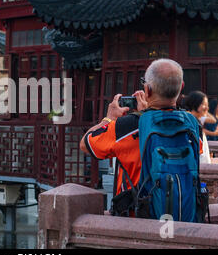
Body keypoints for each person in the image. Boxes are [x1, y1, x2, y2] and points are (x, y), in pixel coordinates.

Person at [80, 58, 202, 196]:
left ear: (147, 90)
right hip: (182, 212)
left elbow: (85, 144)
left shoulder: (126, 126)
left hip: (137, 215)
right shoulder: (193, 124)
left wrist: (109, 118)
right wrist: (147, 113)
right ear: (181, 87)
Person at [183, 91, 213, 164]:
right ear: (194, 104)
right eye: (204, 104)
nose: (207, 108)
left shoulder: (187, 119)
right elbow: (200, 153)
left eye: (207, 105)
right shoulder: (193, 123)